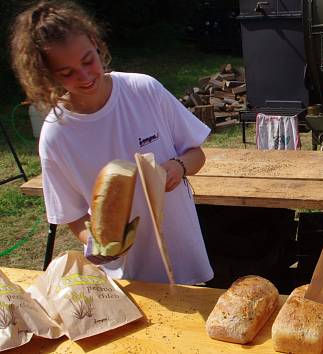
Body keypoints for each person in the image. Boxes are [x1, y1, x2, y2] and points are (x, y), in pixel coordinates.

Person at [9, 0, 214, 285]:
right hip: (124, 276)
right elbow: (72, 213)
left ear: (96, 44)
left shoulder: (144, 90)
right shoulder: (57, 135)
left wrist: (179, 166)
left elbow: (197, 155)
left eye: (87, 61)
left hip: (183, 256)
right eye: (67, 73)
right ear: (48, 75)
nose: (84, 77)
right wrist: (97, 245)